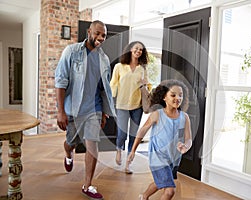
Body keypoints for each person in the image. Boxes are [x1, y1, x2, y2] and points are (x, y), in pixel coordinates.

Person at [55, 20, 115, 200]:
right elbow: (60, 81)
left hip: (93, 110)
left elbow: (104, 88)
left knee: (92, 144)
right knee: (71, 142)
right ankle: (68, 153)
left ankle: (87, 185)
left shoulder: (104, 59)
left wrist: (103, 111)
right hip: (73, 109)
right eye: (97, 33)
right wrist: (60, 112)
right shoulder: (72, 51)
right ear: (89, 31)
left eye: (104, 35)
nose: (100, 38)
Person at [127, 79, 192, 200]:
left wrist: (185, 146)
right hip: (158, 158)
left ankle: (144, 196)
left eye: (180, 95)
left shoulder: (185, 117)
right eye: (173, 95)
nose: (177, 98)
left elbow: (188, 139)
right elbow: (142, 131)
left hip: (173, 159)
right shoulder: (158, 114)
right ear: (164, 97)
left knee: (160, 182)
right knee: (170, 190)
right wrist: (133, 151)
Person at [110, 41, 151, 174]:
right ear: (130, 49)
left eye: (141, 50)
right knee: (122, 133)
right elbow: (113, 84)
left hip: (137, 106)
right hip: (121, 105)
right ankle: (118, 149)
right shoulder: (119, 66)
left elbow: (148, 87)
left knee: (133, 134)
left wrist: (145, 85)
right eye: (136, 48)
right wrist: (111, 99)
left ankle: (128, 163)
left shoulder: (143, 69)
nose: (138, 51)